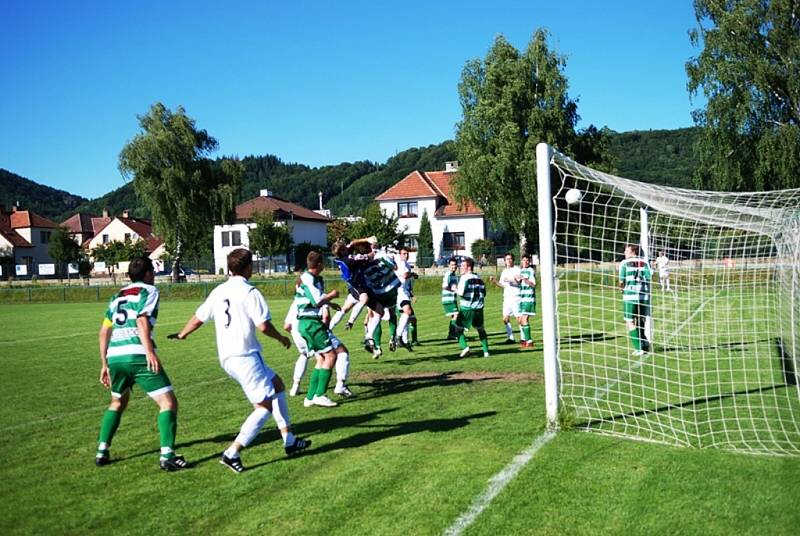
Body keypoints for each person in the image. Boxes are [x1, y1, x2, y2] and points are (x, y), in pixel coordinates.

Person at [169, 248, 310, 473]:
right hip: (245, 356)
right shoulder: (249, 291)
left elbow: (198, 318)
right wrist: (281, 338)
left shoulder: (218, 290)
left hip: (228, 357)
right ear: (247, 268)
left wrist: (183, 334)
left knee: (277, 385)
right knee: (263, 407)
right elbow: (263, 325)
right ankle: (232, 452)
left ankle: (289, 439)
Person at [94, 257, 187, 471]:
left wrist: (104, 363)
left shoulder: (117, 296)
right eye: (152, 272)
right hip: (137, 354)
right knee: (168, 403)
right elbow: (142, 319)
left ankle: (102, 450)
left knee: (118, 402)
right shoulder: (149, 291)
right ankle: (167, 456)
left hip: (115, 356)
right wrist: (150, 353)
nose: (153, 276)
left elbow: (104, 331)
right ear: (146, 274)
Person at [295, 250, 342, 407]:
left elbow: (316, 299)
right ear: (319, 264)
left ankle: (309, 397)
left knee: (321, 358)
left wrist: (329, 303)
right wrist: (332, 295)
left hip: (306, 323)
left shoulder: (311, 278)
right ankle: (320, 395)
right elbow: (316, 301)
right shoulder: (308, 279)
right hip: (310, 322)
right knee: (331, 356)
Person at [619, 244, 652, 356]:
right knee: (641, 319)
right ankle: (645, 342)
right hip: (644, 296)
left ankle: (639, 348)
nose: (624, 252)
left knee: (630, 321)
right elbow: (649, 276)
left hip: (630, 296)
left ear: (633, 251)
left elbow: (621, 281)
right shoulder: (645, 262)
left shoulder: (624, 263)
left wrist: (621, 289)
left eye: (626, 250)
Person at [454, 257, 490, 358]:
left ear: (469, 267)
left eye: (463, 266)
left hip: (467, 308)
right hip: (478, 308)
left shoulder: (464, 278)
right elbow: (484, 293)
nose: (460, 268)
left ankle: (465, 347)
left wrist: (454, 289)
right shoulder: (479, 278)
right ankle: (486, 352)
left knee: (457, 329)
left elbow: (461, 293)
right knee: (481, 329)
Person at [489, 253, 521, 344]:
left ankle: (524, 337)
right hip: (507, 297)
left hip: (516, 296)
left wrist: (510, 280)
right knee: (505, 318)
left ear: (513, 260)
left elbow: (519, 282)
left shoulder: (517, 270)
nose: (509, 261)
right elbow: (503, 285)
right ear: (504, 261)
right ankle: (511, 337)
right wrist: (495, 281)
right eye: (507, 259)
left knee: (519, 318)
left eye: (510, 259)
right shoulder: (504, 271)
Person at [518, 254, 537, 348]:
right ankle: (526, 340)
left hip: (528, 298)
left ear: (529, 262)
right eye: (523, 260)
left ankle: (529, 341)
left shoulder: (530, 271)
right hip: (522, 299)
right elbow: (519, 283)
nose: (525, 262)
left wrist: (525, 280)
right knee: (521, 320)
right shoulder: (522, 270)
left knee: (524, 319)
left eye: (527, 260)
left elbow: (533, 284)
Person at [441, 258, 460, 340]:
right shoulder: (448, 274)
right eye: (452, 265)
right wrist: (453, 289)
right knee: (456, 315)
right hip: (448, 298)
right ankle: (452, 334)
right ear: (448, 265)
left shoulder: (454, 275)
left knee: (454, 316)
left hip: (452, 298)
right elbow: (444, 286)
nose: (454, 266)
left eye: (455, 265)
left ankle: (452, 334)